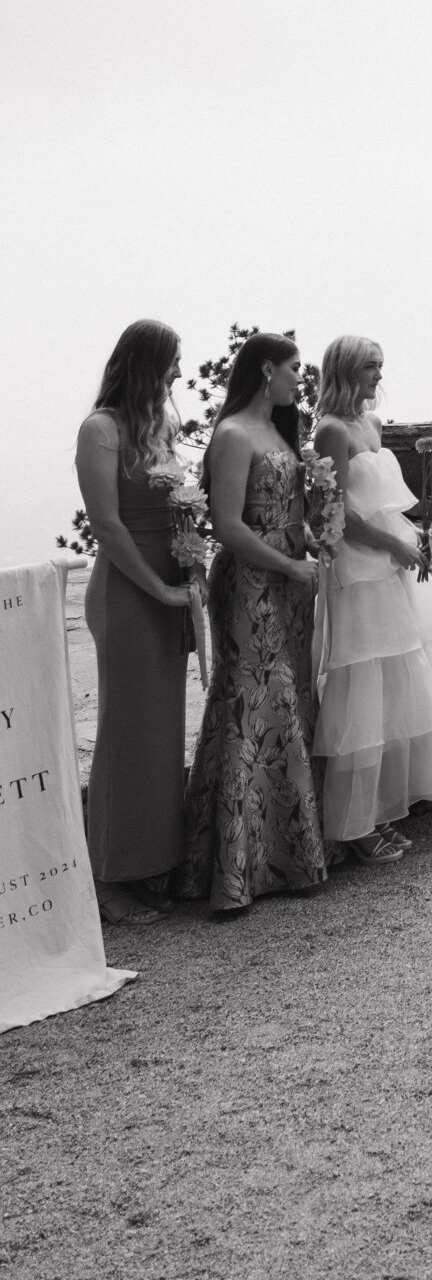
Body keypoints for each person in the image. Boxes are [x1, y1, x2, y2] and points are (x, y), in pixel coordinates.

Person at [310, 336, 432, 862]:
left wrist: (414, 540)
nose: (378, 376)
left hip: (391, 564)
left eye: (381, 366)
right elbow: (334, 514)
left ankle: (381, 809)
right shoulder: (330, 431)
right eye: (369, 367)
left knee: (393, 685)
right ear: (344, 371)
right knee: (361, 687)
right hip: (358, 569)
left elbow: (385, 506)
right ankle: (353, 823)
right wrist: (393, 546)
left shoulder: (374, 426)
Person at [176, 334, 329, 914]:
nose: (300, 378)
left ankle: (286, 853)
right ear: (266, 369)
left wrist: (311, 539)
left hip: (291, 586)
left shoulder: (281, 429)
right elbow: (229, 527)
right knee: (253, 705)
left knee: (288, 703)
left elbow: (285, 509)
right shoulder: (235, 433)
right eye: (293, 368)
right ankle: (234, 872)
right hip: (251, 586)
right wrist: (290, 563)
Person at [74, 320, 197, 926]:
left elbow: (179, 507)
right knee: (125, 736)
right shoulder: (100, 430)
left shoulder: (162, 429)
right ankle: (108, 878)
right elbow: (108, 526)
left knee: (162, 735)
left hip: (171, 587)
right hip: (127, 593)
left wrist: (192, 574)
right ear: (147, 364)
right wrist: (159, 590)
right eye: (173, 362)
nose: (179, 372)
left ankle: (149, 863)